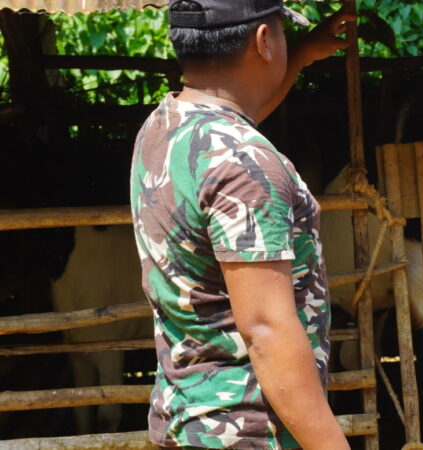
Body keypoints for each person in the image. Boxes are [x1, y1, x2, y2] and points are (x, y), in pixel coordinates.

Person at [130, 1, 355, 448]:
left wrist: (302, 54)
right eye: (283, 35)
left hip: (190, 421)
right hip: (250, 431)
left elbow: (234, 123)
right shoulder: (246, 165)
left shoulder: (165, 126)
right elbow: (267, 331)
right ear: (264, 41)